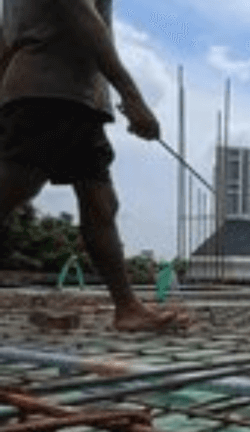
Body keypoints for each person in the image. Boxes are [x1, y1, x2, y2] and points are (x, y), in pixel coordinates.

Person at [0, 0, 185, 331]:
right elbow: (79, 14)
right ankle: (127, 306)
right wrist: (132, 95)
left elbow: (5, 40)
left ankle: (127, 308)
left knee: (101, 204)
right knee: (13, 186)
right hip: (46, 93)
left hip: (79, 100)